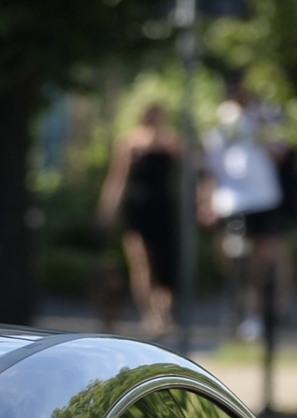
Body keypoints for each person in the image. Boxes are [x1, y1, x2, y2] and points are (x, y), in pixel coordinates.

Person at [202, 84, 287, 342]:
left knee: (261, 263)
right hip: (231, 202)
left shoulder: (265, 118)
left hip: (262, 200)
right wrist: (206, 200)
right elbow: (210, 165)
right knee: (231, 258)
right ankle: (237, 309)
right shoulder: (220, 121)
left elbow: (280, 154)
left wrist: (263, 127)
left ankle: (256, 314)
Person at [96, 103, 181, 334]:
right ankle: (149, 313)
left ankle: (163, 311)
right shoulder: (129, 143)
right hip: (137, 207)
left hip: (163, 208)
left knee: (164, 263)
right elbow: (117, 179)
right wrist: (107, 211)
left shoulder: (171, 142)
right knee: (141, 262)